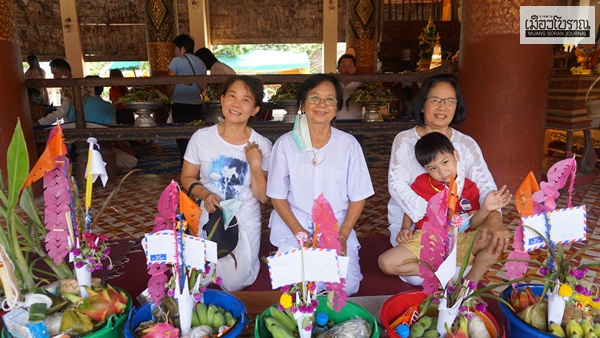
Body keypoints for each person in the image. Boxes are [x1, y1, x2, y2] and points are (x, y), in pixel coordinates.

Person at [379, 73, 511, 283]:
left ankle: (461, 274)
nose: (443, 106)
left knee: (493, 240)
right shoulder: (404, 140)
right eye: (436, 100)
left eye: (450, 101)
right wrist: (435, 219)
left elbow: (486, 186)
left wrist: (495, 218)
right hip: (418, 226)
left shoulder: (466, 144)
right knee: (416, 279)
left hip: (461, 227)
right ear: (423, 105)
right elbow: (397, 186)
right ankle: (453, 267)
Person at [267, 74, 374, 296]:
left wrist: (342, 236)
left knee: (347, 285)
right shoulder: (285, 145)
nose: (322, 104)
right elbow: (277, 196)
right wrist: (299, 232)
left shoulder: (348, 145)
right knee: (299, 285)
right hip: (295, 225)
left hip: (336, 227)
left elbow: (358, 196)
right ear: (303, 105)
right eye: (314, 97)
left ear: (336, 109)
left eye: (330, 100)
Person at [181, 75, 271, 292]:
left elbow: (263, 197)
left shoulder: (263, 145)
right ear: (221, 100)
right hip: (208, 214)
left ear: (255, 109)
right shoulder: (201, 138)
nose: (236, 104)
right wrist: (205, 195)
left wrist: (256, 166)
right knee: (195, 279)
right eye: (231, 96)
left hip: (243, 217)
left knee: (233, 283)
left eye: (245, 100)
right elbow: (187, 177)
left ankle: (250, 258)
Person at [168, 34, 207, 163]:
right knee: (195, 132)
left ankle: (184, 159)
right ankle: (196, 159)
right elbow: (203, 85)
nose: (175, 50)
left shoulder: (177, 61)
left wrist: (168, 97)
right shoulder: (200, 62)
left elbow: (170, 82)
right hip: (196, 103)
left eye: (176, 47)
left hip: (179, 102)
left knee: (180, 132)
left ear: (182, 48)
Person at [36, 58, 74, 125]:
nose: (54, 77)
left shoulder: (71, 88)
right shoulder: (66, 88)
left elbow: (62, 112)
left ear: (65, 72)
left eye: (55, 73)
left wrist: (40, 122)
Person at [336, 54, 362, 120]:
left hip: (356, 120)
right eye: (343, 65)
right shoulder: (332, 85)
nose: (346, 68)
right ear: (338, 68)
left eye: (350, 65)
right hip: (335, 121)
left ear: (355, 68)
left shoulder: (360, 85)